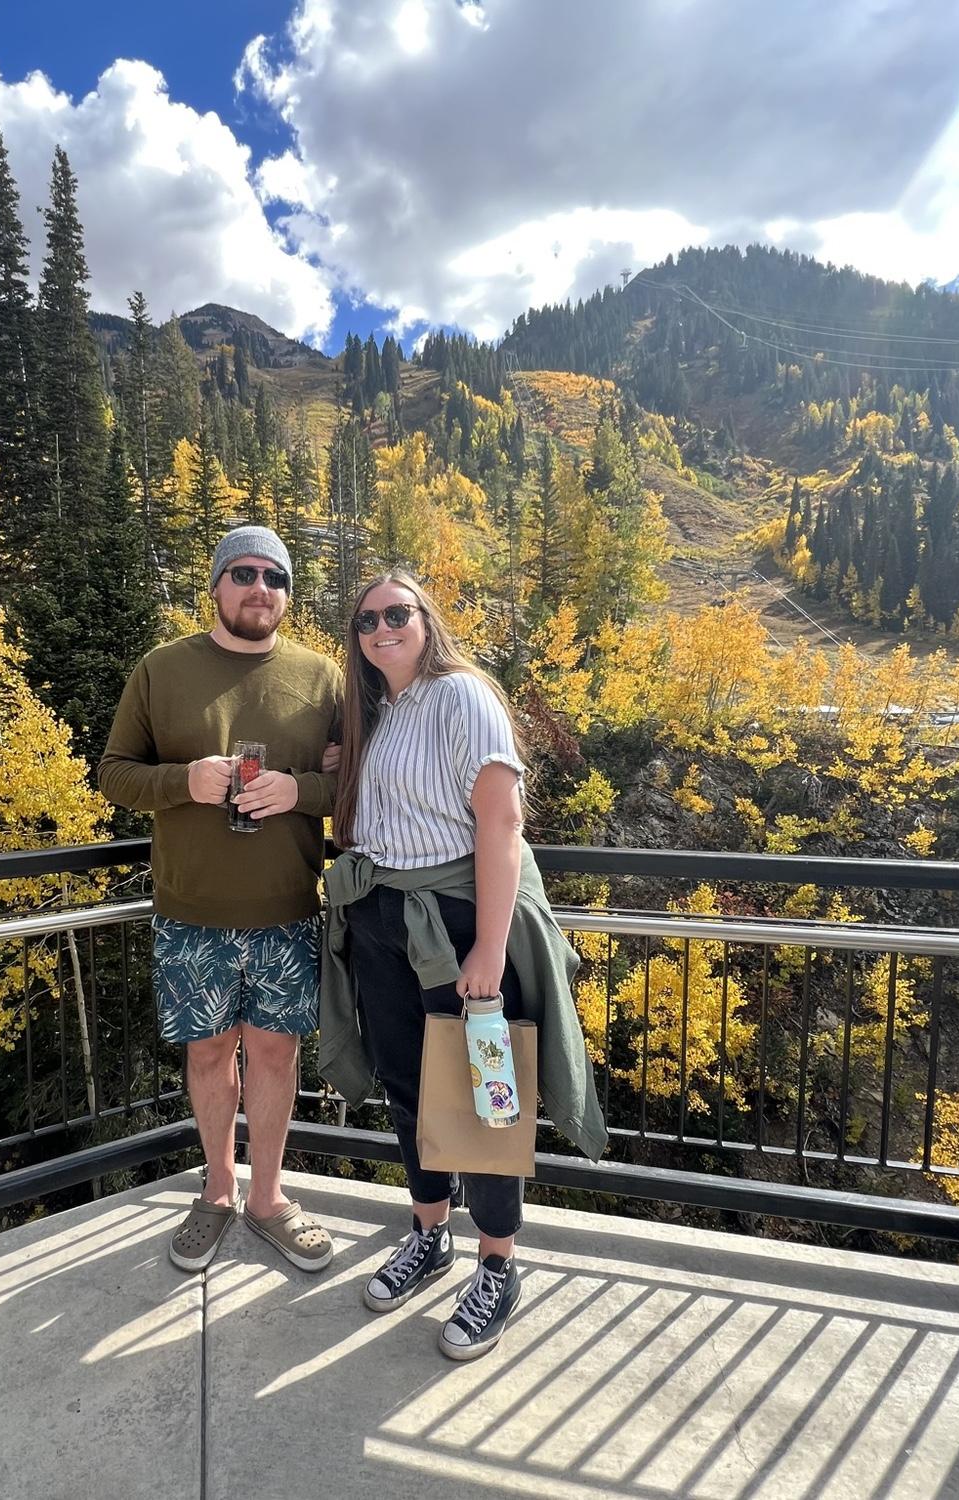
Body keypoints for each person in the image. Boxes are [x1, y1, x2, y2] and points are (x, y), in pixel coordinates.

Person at [319, 571, 607, 1360]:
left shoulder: (462, 695)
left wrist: (488, 945)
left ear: (425, 618)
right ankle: (430, 1232)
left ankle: (498, 1263)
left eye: (396, 613)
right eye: (367, 618)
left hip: (452, 926)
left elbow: (502, 822)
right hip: (383, 921)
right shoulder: (382, 712)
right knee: (411, 1087)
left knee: (486, 1098)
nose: (382, 628)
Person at [98, 526, 342, 1275]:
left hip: (288, 909)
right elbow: (113, 774)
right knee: (208, 1055)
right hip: (191, 911)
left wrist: (303, 790)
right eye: (243, 572)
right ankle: (216, 1192)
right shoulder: (161, 669)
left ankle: (268, 1200)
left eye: (276, 576)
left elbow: (357, 785)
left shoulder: (323, 677)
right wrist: (185, 782)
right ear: (215, 584)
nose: (260, 587)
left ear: (288, 594)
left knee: (276, 1055)